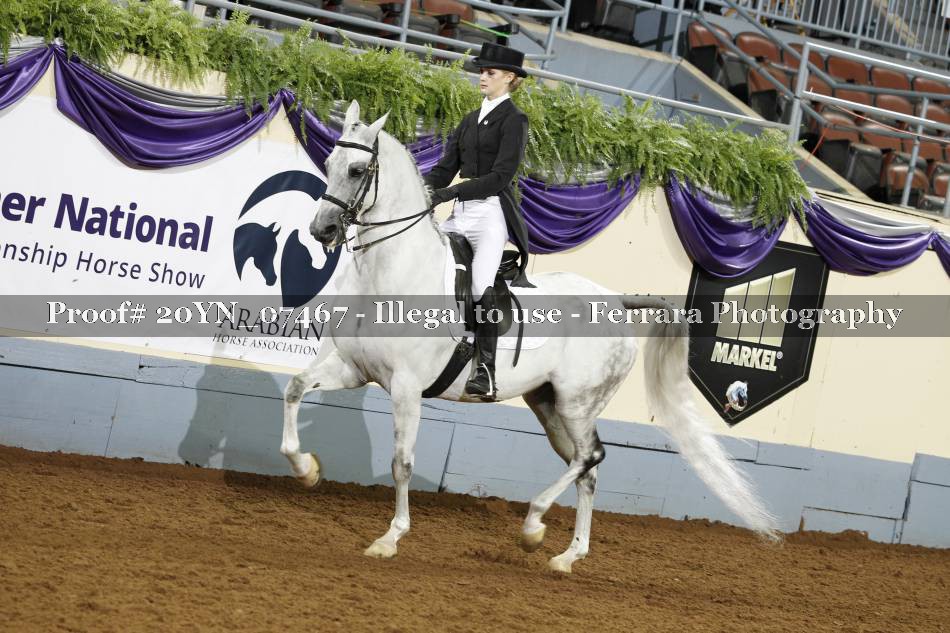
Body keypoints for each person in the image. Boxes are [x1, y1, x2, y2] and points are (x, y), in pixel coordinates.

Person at [424, 42, 534, 402]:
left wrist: (451, 193)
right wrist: (421, 189)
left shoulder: (514, 120)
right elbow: (444, 169)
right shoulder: (470, 119)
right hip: (460, 214)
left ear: (510, 78)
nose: (483, 77)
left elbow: (500, 177)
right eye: (482, 71)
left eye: (490, 72)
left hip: (489, 214)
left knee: (479, 286)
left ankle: (485, 370)